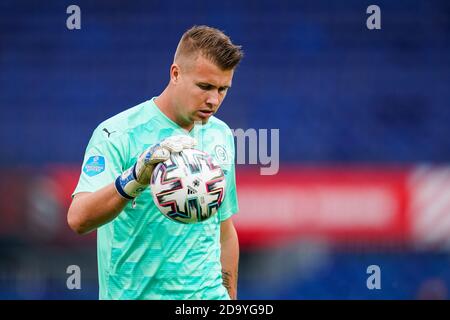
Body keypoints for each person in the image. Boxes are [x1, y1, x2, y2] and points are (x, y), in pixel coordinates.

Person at [67, 25, 243, 300]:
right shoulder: (116, 134)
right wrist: (136, 177)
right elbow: (79, 219)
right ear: (175, 74)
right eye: (205, 86)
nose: (214, 99)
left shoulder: (220, 133)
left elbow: (224, 230)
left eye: (223, 89)